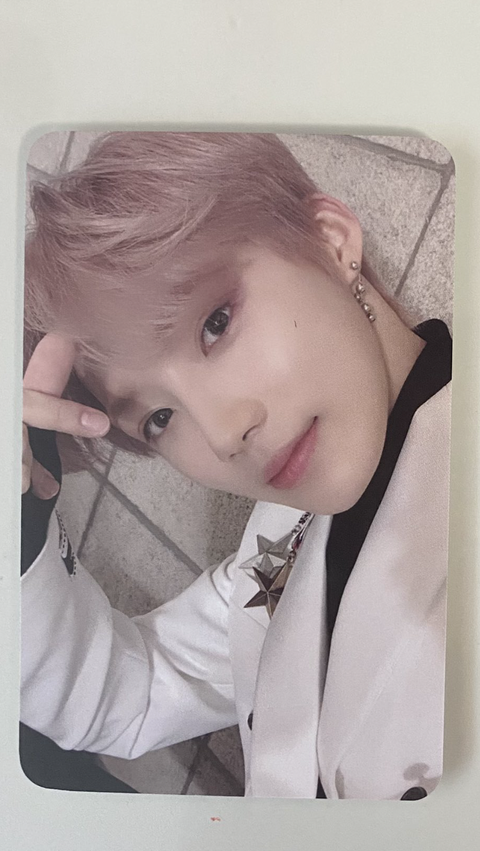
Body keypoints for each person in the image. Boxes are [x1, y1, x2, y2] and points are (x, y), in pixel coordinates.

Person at [21, 132, 452, 800]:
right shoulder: (279, 540)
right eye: (158, 418)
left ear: (330, 239)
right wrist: (20, 537)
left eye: (216, 323)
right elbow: (132, 696)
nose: (223, 433)